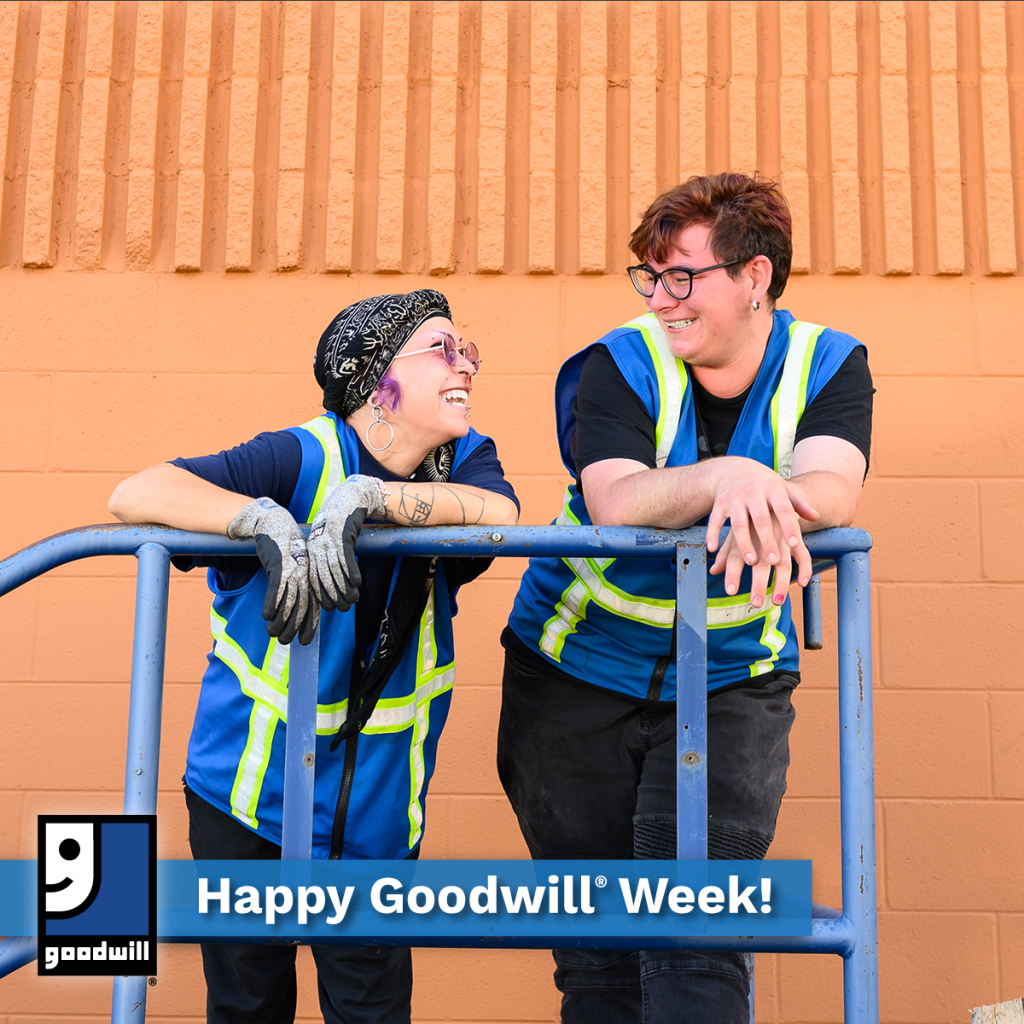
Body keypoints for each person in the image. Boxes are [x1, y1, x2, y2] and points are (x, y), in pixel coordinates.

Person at [498, 173, 873, 1023]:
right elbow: (618, 501)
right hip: (571, 676)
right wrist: (732, 475)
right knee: (601, 958)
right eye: (652, 276)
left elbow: (833, 493)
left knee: (699, 944)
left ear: (755, 277)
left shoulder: (829, 363)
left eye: (684, 277)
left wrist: (753, 484)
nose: (663, 300)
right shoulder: (619, 361)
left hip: (734, 682)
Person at [109, 289, 518, 1024]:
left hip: (377, 821)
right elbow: (136, 491)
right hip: (245, 803)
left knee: (372, 1012)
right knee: (248, 1007)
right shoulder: (302, 454)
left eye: (468, 351)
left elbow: (504, 515)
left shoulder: (463, 460)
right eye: (442, 350)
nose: (467, 367)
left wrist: (378, 501)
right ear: (375, 384)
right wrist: (257, 517)